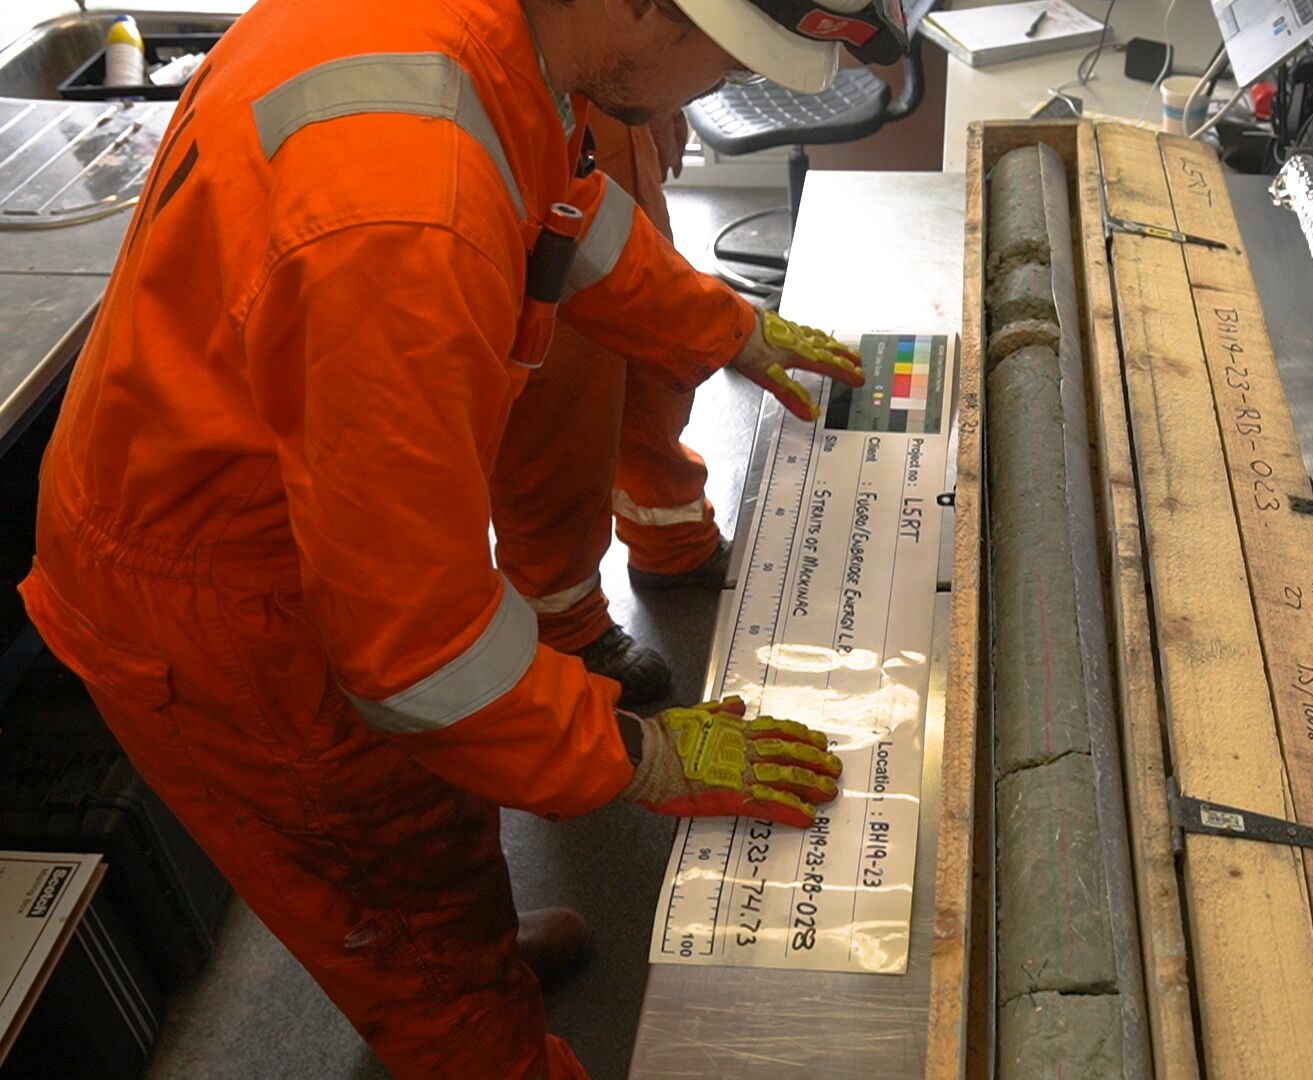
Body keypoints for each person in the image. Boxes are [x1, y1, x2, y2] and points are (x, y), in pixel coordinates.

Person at [17, 0, 913, 1076]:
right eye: (729, 55)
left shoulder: (492, 41)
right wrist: (643, 755)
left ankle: (470, 943)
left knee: (433, 824)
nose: (711, 94)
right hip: (233, 612)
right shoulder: (406, 210)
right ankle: (466, 1008)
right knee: (391, 889)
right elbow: (418, 657)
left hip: (272, 518)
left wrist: (725, 326)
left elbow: (567, 211)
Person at [490, 104, 725, 706]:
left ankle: (671, 536)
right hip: (531, 105)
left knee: (653, 343)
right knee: (561, 398)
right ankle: (561, 622)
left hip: (607, 104)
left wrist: (659, 101)